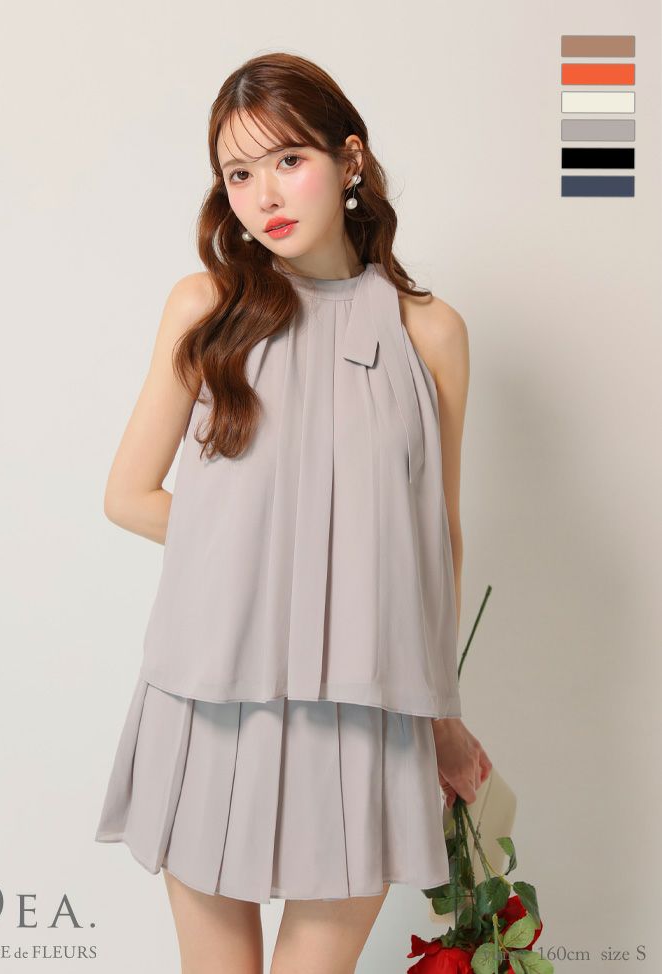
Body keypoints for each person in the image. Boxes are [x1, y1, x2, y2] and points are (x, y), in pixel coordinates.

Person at [94, 51, 492, 974]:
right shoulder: (205, 308)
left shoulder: (430, 332)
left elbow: (436, 541)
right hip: (211, 696)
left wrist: (442, 718)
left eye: (288, 160)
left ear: (350, 159)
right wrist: (272, 551)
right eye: (239, 174)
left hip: (364, 711)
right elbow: (128, 496)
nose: (264, 195)